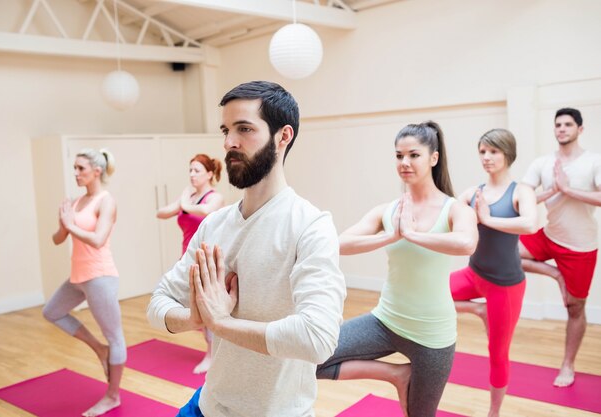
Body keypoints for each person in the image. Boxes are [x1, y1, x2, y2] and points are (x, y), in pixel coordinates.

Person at [147, 80, 346, 417]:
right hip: (207, 404)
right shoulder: (214, 225)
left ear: (283, 137)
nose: (229, 143)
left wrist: (221, 324)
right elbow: (158, 304)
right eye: (226, 130)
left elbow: (318, 339)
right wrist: (195, 317)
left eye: (244, 129)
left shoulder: (310, 225)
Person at [317, 121, 478, 417]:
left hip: (433, 335)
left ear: (433, 157)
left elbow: (467, 243)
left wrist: (414, 235)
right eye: (399, 155)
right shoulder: (388, 211)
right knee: (311, 358)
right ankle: (396, 375)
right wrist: (389, 236)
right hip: (385, 322)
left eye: (414, 155)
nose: (404, 162)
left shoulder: (454, 209)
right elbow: (339, 243)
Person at [450, 129, 537, 416]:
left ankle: (493, 412)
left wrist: (487, 218)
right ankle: (479, 311)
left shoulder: (520, 191)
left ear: (507, 154)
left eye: (493, 152)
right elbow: (450, 211)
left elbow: (529, 224)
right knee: (430, 294)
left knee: (498, 354)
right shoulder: (475, 192)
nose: (486, 158)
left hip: (506, 286)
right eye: (483, 152)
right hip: (474, 274)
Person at [519, 107, 601, 387]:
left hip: (581, 247)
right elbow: (523, 198)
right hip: (549, 236)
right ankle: (556, 275)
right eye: (558, 125)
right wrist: (552, 190)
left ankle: (568, 364)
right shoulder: (543, 163)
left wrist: (568, 190)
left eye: (568, 124)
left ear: (580, 128)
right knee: (503, 254)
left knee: (575, 308)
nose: (562, 129)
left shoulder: (593, 161)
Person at [42, 148, 125, 417]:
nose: (76, 174)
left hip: (100, 277)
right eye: (74, 169)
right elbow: (57, 239)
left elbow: (99, 239)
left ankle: (112, 396)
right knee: (51, 312)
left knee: (115, 337)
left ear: (96, 171)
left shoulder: (106, 200)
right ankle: (98, 349)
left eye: (81, 169)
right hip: (78, 276)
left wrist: (71, 225)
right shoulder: (77, 202)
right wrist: (64, 225)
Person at [156, 153, 224, 374]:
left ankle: (212, 356)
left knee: (206, 308)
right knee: (193, 308)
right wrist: (182, 202)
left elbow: (206, 211)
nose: (192, 175)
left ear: (210, 174)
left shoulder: (214, 197)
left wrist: (184, 203)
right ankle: (215, 349)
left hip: (207, 261)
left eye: (197, 170)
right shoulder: (189, 198)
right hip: (187, 259)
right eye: (190, 170)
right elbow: (162, 213)